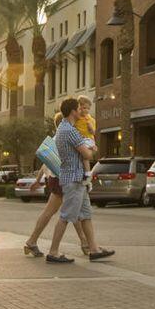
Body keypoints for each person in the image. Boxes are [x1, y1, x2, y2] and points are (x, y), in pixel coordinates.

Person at [47, 98, 113, 263]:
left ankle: (94, 249)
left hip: (77, 179)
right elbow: (87, 155)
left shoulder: (64, 128)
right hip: (74, 180)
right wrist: (91, 148)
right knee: (66, 216)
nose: (82, 111)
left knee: (86, 215)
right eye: (79, 108)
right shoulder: (70, 130)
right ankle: (53, 252)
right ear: (73, 112)